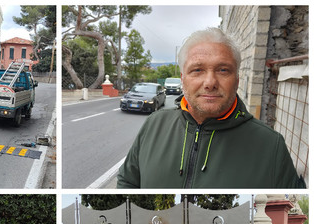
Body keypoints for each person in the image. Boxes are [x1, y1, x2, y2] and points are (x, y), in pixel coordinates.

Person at [117, 27, 305, 188]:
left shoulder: (271, 146)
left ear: (237, 80)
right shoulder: (154, 125)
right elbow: (127, 181)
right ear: (183, 79)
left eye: (223, 70)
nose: (210, 82)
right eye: (197, 70)